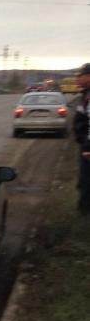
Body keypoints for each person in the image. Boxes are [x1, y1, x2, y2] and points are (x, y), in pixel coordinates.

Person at [72, 63, 90, 215]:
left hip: (88, 148)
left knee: (87, 181)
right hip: (85, 145)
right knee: (84, 180)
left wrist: (87, 147)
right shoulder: (85, 94)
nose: (76, 78)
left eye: (80, 76)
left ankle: (84, 214)